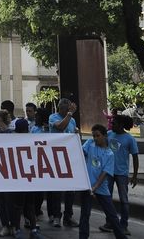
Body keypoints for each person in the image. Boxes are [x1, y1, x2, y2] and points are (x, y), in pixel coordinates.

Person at [79, 125, 126, 239]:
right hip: (87, 186)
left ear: (104, 136)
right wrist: (77, 137)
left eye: (98, 136)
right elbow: (80, 153)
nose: (95, 138)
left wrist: (95, 188)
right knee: (85, 214)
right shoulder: (90, 144)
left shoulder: (109, 154)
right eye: (94, 136)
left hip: (100, 187)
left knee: (112, 215)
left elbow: (104, 173)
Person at [101, 115, 139, 235]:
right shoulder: (109, 134)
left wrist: (135, 175)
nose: (112, 125)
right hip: (109, 172)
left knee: (124, 200)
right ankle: (110, 222)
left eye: (115, 123)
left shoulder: (129, 139)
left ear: (122, 125)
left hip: (122, 174)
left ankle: (123, 225)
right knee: (108, 199)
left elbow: (135, 157)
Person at [47, 98, 79, 228]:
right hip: (56, 157)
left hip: (69, 156)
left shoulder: (72, 120)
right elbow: (60, 127)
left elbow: (72, 133)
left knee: (70, 190)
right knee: (57, 190)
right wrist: (69, 114)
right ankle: (56, 215)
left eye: (68, 109)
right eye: (65, 109)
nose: (66, 111)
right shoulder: (53, 117)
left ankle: (68, 216)